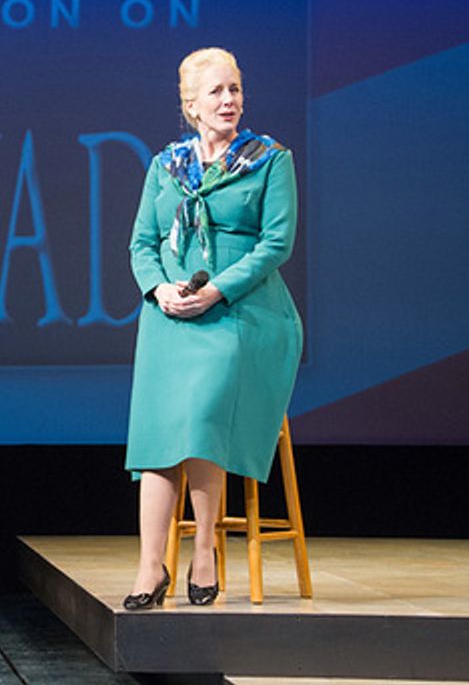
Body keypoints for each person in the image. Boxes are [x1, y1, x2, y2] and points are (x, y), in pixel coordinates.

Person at [122, 48, 302, 609]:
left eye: (236, 89)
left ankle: (204, 550)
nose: (229, 100)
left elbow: (276, 244)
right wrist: (159, 290)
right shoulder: (165, 166)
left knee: (202, 415)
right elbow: (142, 244)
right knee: (156, 435)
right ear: (191, 105)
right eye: (218, 91)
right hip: (170, 316)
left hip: (240, 315)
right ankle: (150, 567)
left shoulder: (269, 160)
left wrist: (216, 290)